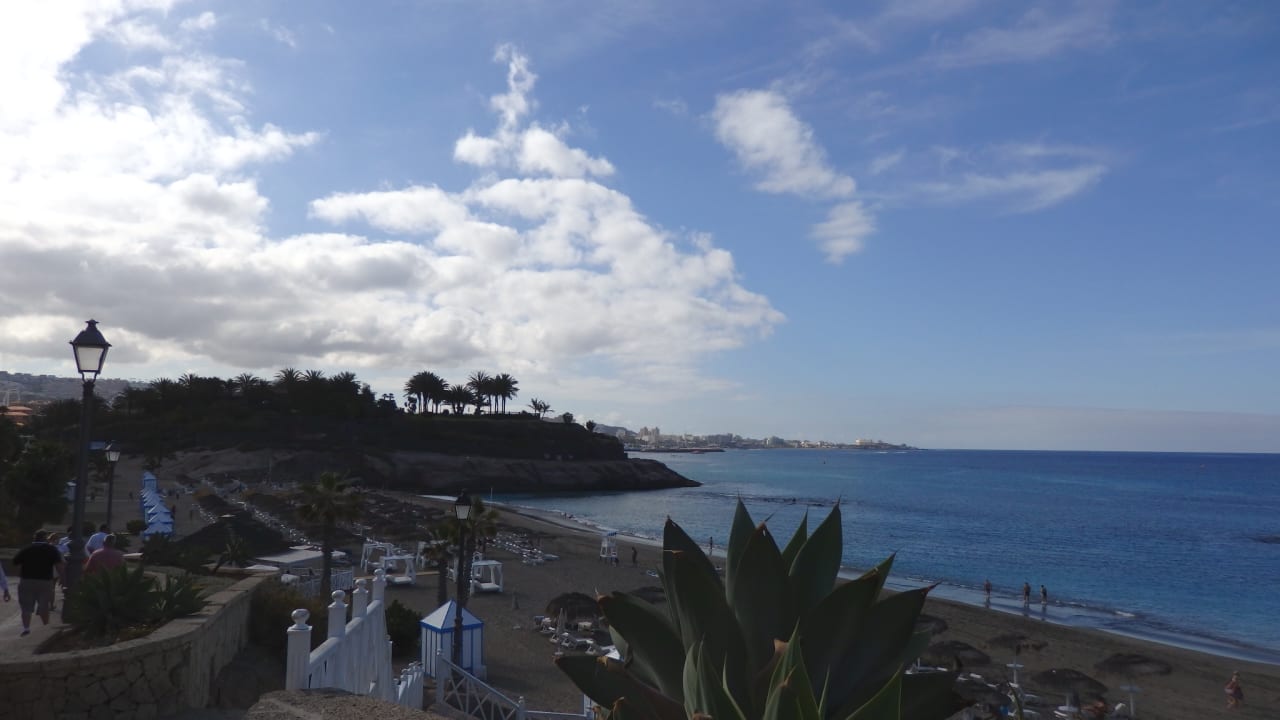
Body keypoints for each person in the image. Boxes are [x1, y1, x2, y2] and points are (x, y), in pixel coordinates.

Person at [12, 530, 65, 637]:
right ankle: (46, 628)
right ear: (45, 538)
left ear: (34, 538)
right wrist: (63, 578)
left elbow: (15, 563)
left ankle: (26, 628)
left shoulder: (26, 549)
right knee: (44, 605)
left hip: (27, 580)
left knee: (26, 607)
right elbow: (59, 565)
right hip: (45, 581)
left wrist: (21, 574)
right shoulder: (51, 549)